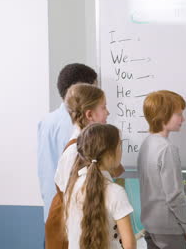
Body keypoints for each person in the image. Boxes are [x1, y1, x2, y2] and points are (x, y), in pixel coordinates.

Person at [45, 83, 123, 248]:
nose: (108, 112)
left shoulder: (87, 149)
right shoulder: (75, 152)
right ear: (90, 115)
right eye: (104, 107)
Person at [137, 90, 186, 249]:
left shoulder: (146, 144)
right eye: (179, 114)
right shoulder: (167, 149)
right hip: (169, 229)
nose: (183, 119)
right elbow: (174, 197)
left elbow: (157, 189)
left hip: (151, 226)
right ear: (163, 116)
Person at [37, 63, 97, 221]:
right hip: (71, 213)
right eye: (93, 90)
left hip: (52, 209)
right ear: (80, 90)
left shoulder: (47, 121)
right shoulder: (75, 125)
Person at [64, 123, 136, 249]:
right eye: (119, 145)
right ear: (109, 154)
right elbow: (129, 245)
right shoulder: (116, 192)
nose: (121, 149)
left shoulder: (72, 187)